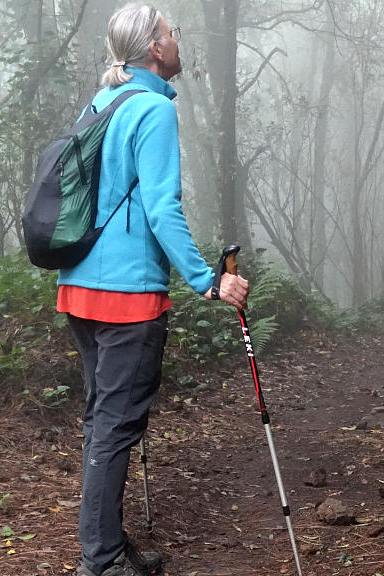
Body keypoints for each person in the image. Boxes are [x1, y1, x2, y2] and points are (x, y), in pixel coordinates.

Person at [57, 4, 249, 576]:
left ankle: (108, 546)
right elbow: (163, 209)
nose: (177, 39)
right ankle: (100, 561)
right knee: (115, 425)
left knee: (103, 419)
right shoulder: (153, 112)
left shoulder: (101, 104)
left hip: (79, 288)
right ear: (153, 51)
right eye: (171, 32)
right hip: (126, 298)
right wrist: (207, 281)